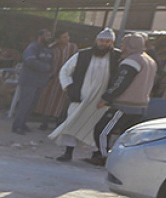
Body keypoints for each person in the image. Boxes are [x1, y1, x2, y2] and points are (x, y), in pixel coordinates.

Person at [86, 32, 157, 166]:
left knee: (102, 130)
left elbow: (121, 82)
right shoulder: (149, 60)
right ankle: (123, 159)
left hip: (124, 106)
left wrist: (106, 98)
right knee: (127, 135)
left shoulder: (132, 60)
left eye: (124, 43)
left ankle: (103, 157)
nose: (122, 46)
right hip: (140, 106)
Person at [50, 28, 120, 162]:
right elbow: (65, 70)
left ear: (112, 43)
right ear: (96, 40)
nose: (103, 44)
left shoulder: (117, 57)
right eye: (101, 40)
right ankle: (68, 152)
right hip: (80, 98)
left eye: (107, 41)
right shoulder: (83, 54)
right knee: (73, 123)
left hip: (101, 101)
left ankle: (95, 155)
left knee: (95, 127)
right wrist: (68, 87)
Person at [12, 29, 53, 134]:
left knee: (32, 105)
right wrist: (45, 67)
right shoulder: (32, 47)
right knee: (25, 104)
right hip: (29, 80)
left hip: (40, 82)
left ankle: (23, 123)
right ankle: (16, 126)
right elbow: (30, 61)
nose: (49, 37)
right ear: (40, 36)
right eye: (47, 35)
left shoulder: (48, 49)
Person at [35, 31, 78, 130]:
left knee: (63, 102)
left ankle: (58, 123)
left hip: (67, 79)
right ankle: (44, 122)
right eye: (64, 37)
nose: (67, 39)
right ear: (58, 39)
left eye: (67, 36)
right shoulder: (53, 49)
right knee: (48, 100)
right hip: (53, 79)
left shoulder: (73, 48)